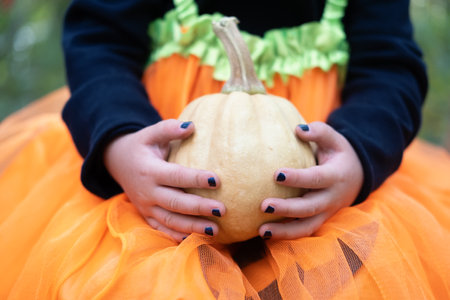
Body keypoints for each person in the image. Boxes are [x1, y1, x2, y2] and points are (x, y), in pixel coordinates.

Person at [1, 0, 449, 299]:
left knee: (359, 285)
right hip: (154, 180)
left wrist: (358, 155)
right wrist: (118, 143)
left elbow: (390, 67)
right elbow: (100, 41)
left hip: (321, 192)